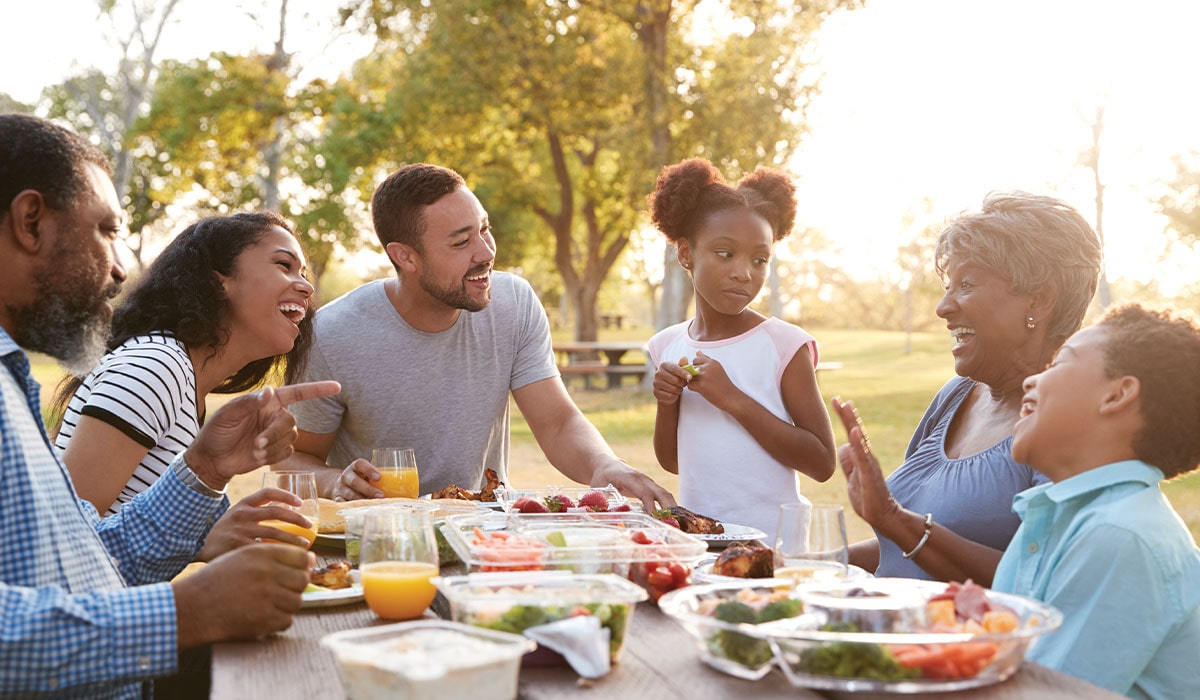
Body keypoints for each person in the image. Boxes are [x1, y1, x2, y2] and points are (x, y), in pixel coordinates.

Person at [0, 113, 339, 698]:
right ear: (30, 221)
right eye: (106, 230)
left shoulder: (14, 383)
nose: (119, 266)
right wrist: (185, 613)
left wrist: (202, 472)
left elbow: (85, 562)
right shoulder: (156, 364)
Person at [844, 305, 1200, 698]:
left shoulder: (1121, 536)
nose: (1033, 381)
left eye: (1059, 363)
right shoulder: (1056, 515)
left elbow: (1040, 691)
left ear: (1116, 395)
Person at [279, 163, 675, 508]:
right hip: (382, 542)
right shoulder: (331, 336)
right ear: (405, 256)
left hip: (484, 531)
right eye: (461, 241)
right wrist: (337, 482)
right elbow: (292, 461)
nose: (486, 252)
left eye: (485, 229)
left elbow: (556, 423)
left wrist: (605, 465)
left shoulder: (514, 303)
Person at [830, 192, 1103, 583]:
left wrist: (893, 517)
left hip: (970, 643)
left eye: (967, 284)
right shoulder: (956, 395)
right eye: (948, 286)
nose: (943, 307)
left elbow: (1044, 581)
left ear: (1039, 301)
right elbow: (902, 547)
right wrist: (806, 562)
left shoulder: (1068, 422)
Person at [51, 211, 318, 556]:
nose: (307, 286)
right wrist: (199, 544)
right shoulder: (154, 368)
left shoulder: (186, 383)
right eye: (284, 265)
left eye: (304, 273)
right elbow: (59, 539)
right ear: (217, 281)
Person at [645, 158, 835, 540]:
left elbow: (821, 462)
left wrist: (733, 399)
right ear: (685, 253)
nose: (743, 273)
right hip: (702, 540)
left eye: (759, 259)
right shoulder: (667, 345)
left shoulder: (784, 345)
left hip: (774, 546)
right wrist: (667, 403)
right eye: (725, 253)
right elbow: (673, 462)